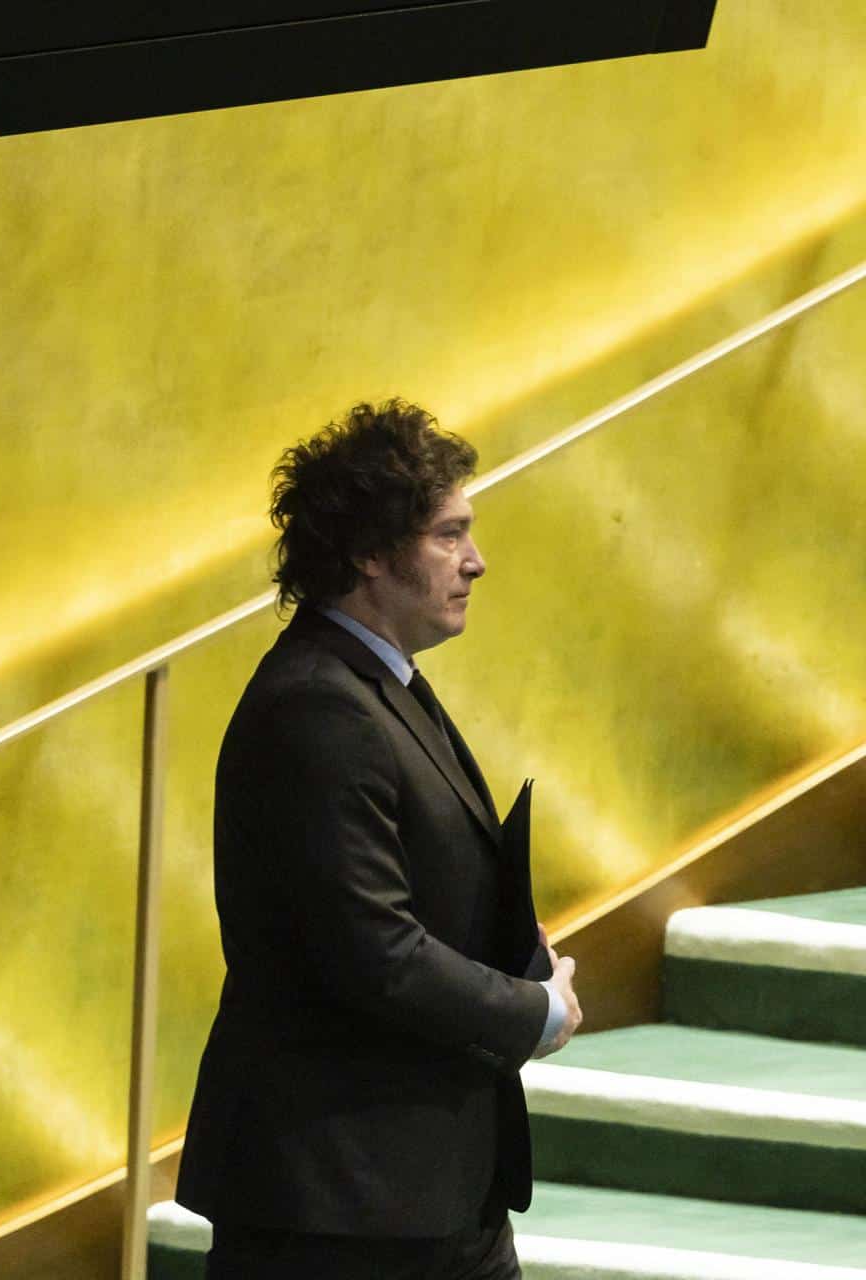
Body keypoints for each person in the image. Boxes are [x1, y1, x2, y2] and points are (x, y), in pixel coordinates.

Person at [175, 399, 582, 1279]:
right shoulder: (319, 704)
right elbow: (372, 951)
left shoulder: (377, 685)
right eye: (448, 534)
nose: (476, 561)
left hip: (418, 1195)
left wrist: (510, 951)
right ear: (367, 551)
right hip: (340, 1210)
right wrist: (532, 1011)